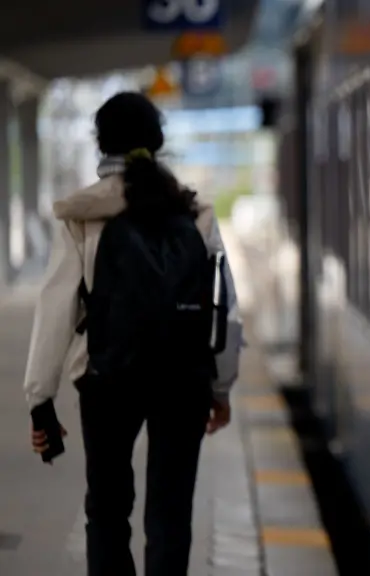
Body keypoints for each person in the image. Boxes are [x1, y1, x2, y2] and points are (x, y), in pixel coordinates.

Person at [22, 91, 243, 576]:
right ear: (157, 142)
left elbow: (56, 307)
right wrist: (220, 387)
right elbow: (226, 310)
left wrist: (41, 401)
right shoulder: (194, 212)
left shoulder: (80, 215)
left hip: (107, 380)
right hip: (183, 381)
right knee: (170, 516)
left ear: (102, 144)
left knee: (106, 511)